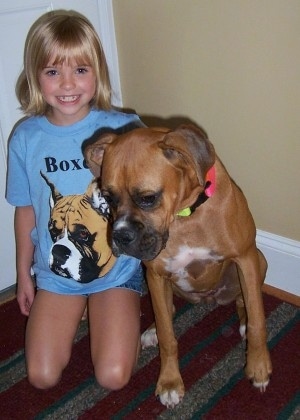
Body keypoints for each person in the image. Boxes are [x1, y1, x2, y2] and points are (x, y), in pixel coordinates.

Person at [6, 9, 144, 391]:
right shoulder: (25, 138)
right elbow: (26, 210)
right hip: (56, 277)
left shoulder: (124, 127)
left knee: (113, 377)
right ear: (35, 76)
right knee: (41, 376)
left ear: (97, 71)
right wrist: (23, 274)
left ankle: (119, 307)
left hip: (115, 270)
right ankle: (80, 308)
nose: (67, 84)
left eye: (80, 70)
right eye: (53, 72)